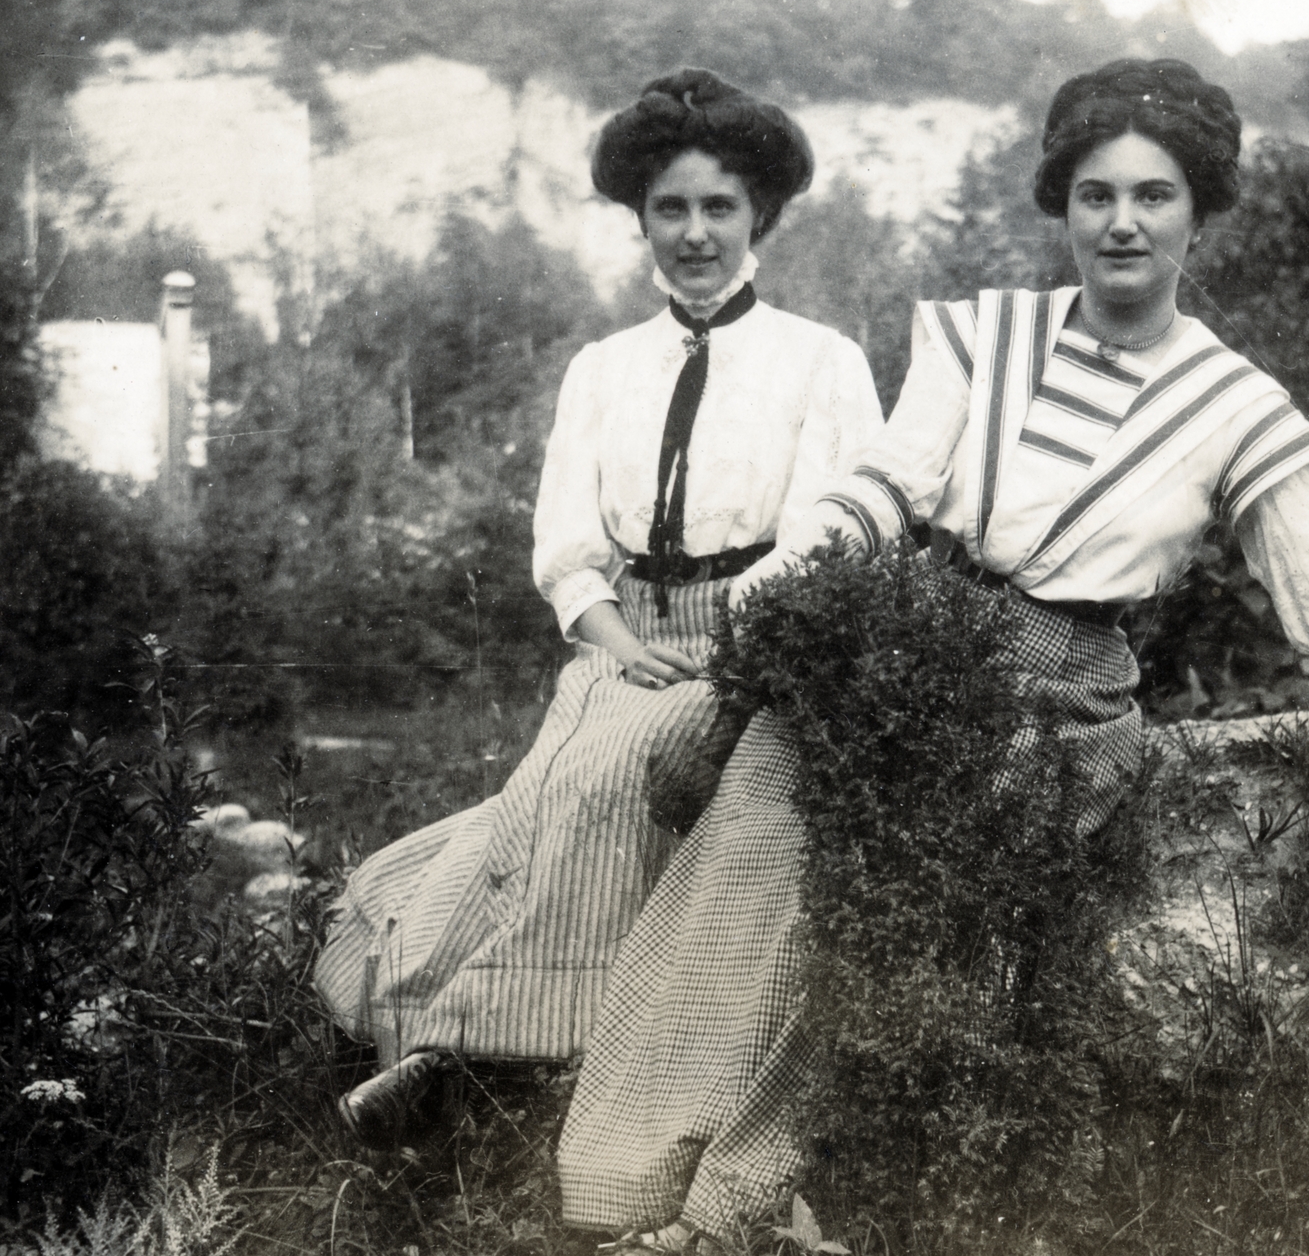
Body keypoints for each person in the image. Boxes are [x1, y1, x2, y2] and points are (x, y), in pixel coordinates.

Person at [556, 58, 1309, 1250]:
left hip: (1060, 694)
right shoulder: (979, 335)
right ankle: (629, 1185)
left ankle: (732, 1211)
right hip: (910, 639)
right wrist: (780, 607)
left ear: (1199, 212)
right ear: (1063, 205)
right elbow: (882, 489)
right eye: (1095, 194)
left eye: (1153, 195)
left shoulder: (1233, 402)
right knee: (737, 818)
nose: (1122, 222)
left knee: (907, 886)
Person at [314, 68, 883, 1147]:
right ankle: (459, 1052)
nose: (696, 234)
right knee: (525, 812)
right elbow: (567, 549)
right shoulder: (602, 369)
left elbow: (835, 527)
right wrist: (619, 644)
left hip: (762, 646)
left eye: (719, 207)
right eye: (670, 209)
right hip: (625, 640)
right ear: (640, 222)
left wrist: (730, 645)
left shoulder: (821, 360)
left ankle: (502, 1054)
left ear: (759, 215)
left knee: (606, 785)